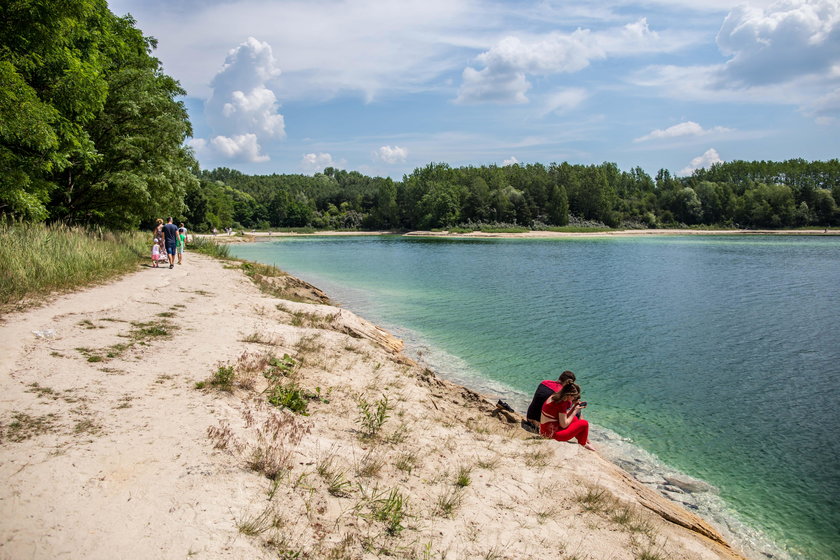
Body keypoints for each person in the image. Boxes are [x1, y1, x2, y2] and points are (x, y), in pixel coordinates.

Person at [540, 383, 594, 451]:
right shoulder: (562, 403)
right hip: (553, 435)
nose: (574, 398)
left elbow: (562, 417)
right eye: (573, 397)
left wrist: (574, 407)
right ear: (568, 395)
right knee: (584, 423)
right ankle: (583, 443)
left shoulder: (554, 396)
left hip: (545, 430)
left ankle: (583, 439)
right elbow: (564, 425)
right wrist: (575, 411)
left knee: (574, 419)